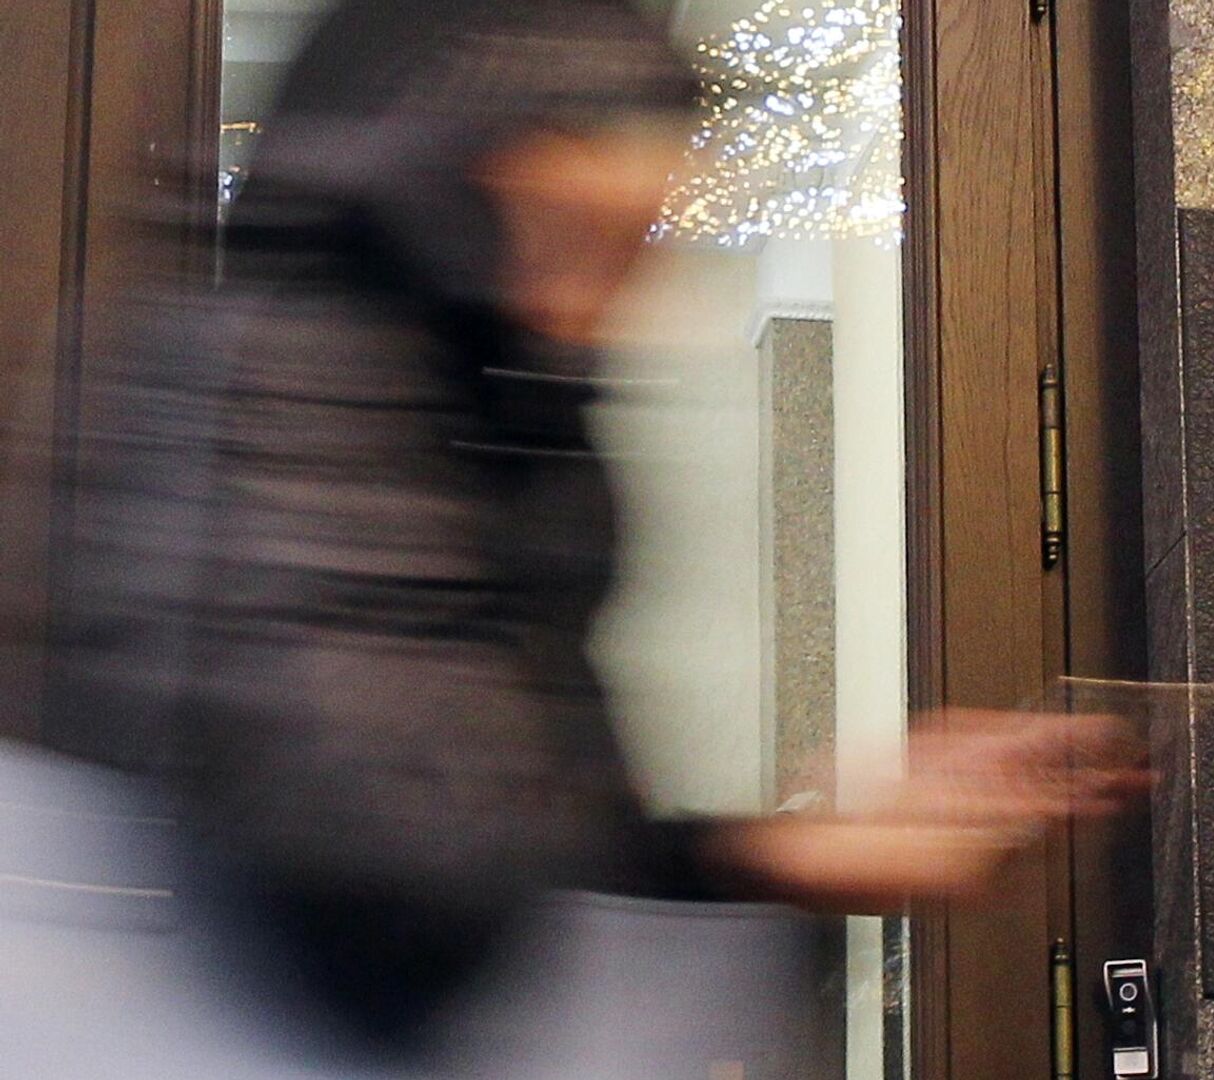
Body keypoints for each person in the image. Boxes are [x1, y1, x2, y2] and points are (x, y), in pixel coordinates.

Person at [49, 0, 1136, 1059]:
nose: (616, 297)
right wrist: (777, 857)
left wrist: (810, 845)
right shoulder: (295, 380)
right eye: (595, 232)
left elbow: (505, 819)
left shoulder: (489, 413)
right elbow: (386, 881)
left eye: (637, 244)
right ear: (474, 166)